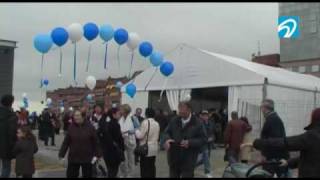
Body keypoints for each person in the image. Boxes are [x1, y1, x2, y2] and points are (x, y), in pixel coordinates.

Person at [241, 107, 320, 178]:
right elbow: (311, 157)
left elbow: (284, 142)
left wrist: (256, 143)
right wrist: (289, 162)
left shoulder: (312, 136)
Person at [163, 101, 207, 178]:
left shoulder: (198, 123)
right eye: (179, 110)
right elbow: (166, 132)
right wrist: (167, 140)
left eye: (183, 111)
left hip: (189, 159)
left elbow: (203, 139)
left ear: (189, 110)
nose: (180, 113)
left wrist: (190, 142)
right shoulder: (174, 120)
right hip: (174, 158)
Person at [59, 110, 101, 178]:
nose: (76, 117)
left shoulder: (90, 127)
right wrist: (61, 155)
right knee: (71, 175)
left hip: (87, 158)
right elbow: (66, 142)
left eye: (78, 115)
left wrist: (98, 154)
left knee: (88, 175)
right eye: (75, 115)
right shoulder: (71, 127)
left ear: (83, 117)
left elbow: (96, 142)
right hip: (73, 158)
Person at [258, 99, 289, 177]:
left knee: (267, 175)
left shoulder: (272, 120)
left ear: (265, 108)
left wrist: (265, 155)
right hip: (275, 157)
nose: (261, 109)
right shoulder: (273, 118)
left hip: (273, 158)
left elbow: (275, 140)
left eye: (261, 107)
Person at [97, 107, 125, 178]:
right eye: (118, 113)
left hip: (106, 151)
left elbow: (99, 133)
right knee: (113, 171)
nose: (120, 115)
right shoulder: (115, 124)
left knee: (110, 170)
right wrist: (122, 147)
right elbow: (119, 139)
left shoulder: (106, 124)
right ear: (114, 115)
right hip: (114, 152)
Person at [135, 108, 160, 178]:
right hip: (154, 148)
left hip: (145, 148)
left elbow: (140, 136)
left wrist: (136, 130)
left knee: (144, 168)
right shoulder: (157, 123)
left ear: (146, 114)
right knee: (152, 166)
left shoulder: (145, 122)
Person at [118, 104, 139, 178]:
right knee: (122, 158)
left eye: (121, 109)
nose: (120, 110)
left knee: (131, 158)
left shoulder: (133, 118)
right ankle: (124, 173)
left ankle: (130, 174)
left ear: (125, 110)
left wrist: (128, 131)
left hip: (130, 140)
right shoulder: (120, 118)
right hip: (122, 140)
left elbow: (137, 128)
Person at [0, 95, 18, 178]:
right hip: (6, 146)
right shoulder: (12, 116)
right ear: (11, 103)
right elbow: (12, 134)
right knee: (6, 167)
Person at [196, 110, 214, 178]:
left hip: (209, 143)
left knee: (205, 158)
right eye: (203, 115)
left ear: (208, 116)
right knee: (206, 156)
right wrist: (206, 139)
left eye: (206, 115)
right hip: (202, 143)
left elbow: (212, 133)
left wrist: (212, 138)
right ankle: (207, 172)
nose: (205, 116)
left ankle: (192, 166)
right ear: (201, 116)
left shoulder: (211, 123)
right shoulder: (199, 123)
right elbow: (198, 133)